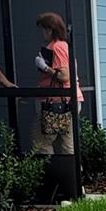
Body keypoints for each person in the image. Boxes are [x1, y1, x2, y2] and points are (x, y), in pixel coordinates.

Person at [32, 11, 81, 156]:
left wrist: (45, 67)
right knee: (68, 144)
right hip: (68, 101)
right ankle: (72, 176)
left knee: (41, 143)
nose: (42, 33)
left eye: (43, 29)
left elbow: (64, 76)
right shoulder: (66, 46)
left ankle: (51, 175)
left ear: (49, 29)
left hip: (56, 102)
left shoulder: (57, 47)